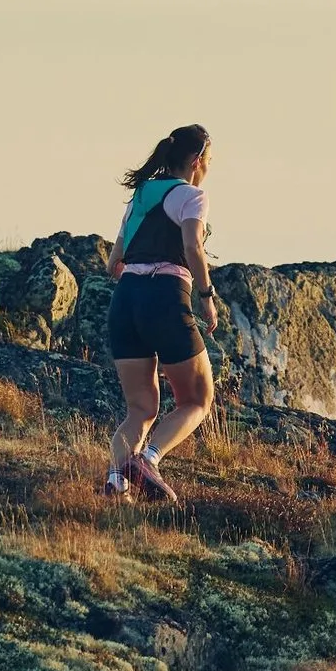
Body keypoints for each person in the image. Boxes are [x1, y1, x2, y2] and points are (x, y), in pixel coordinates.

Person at [103, 124, 220, 506]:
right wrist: (206, 296)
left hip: (125, 300)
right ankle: (148, 460)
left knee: (140, 408)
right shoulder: (191, 196)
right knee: (198, 399)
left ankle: (115, 483)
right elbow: (191, 247)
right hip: (165, 297)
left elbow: (112, 263)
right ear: (197, 160)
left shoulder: (139, 197)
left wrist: (138, 281)